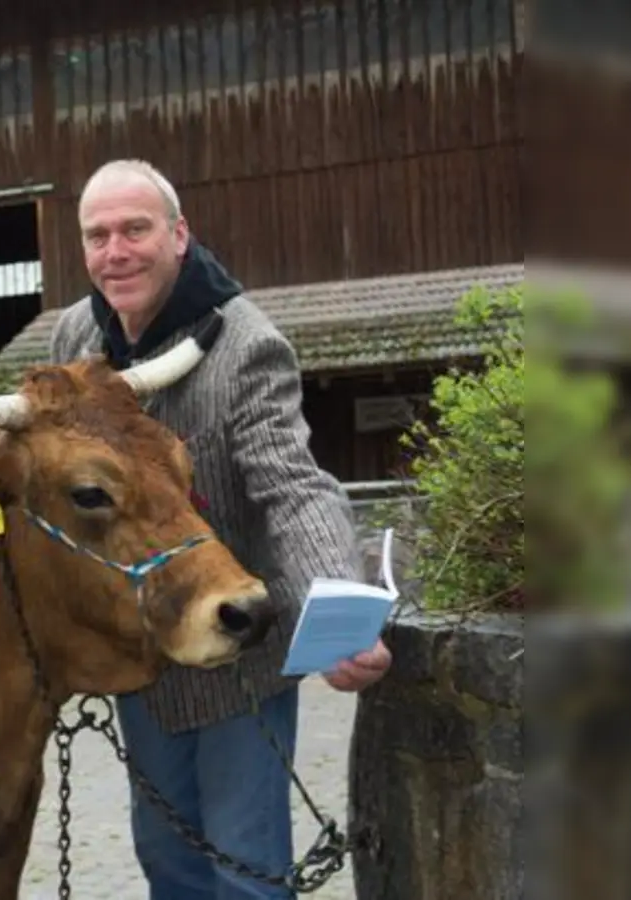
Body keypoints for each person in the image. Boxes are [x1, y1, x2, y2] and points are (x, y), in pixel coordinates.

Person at [48, 159, 392, 900]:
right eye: (98, 235)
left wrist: (336, 611)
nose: (116, 251)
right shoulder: (76, 336)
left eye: (135, 229)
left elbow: (292, 485)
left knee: (245, 871)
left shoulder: (245, 344)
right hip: (145, 655)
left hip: (239, 654)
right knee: (167, 863)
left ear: (179, 235)